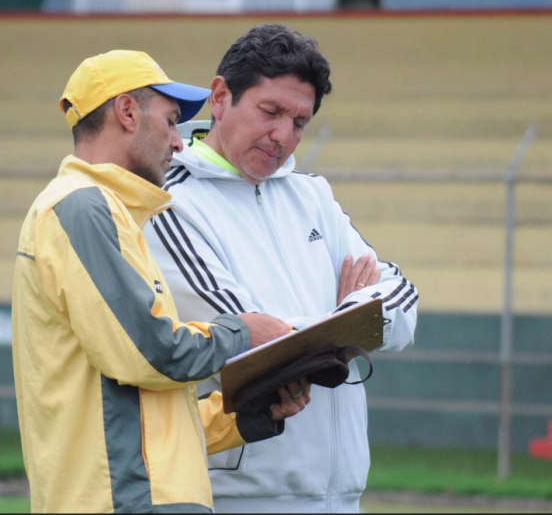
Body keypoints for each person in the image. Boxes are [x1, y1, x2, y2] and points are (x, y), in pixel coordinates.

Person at [11, 49, 313, 514]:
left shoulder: (113, 215)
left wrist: (251, 413)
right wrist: (245, 332)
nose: (178, 142)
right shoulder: (82, 206)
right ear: (127, 112)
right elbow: (150, 355)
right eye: (172, 121)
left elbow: (152, 410)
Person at [144, 25, 418, 513]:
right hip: (242, 496)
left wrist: (352, 307)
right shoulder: (170, 202)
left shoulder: (312, 195)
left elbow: (401, 299)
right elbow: (257, 344)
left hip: (343, 496)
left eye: (299, 122)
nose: (283, 136)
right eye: (270, 112)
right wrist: (351, 322)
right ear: (221, 96)